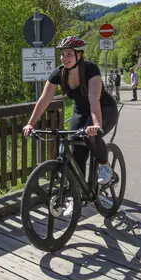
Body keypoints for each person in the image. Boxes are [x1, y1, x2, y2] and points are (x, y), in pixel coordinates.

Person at [23, 36, 117, 185]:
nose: (64, 58)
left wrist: (96, 125)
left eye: (69, 54)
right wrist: (30, 124)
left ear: (79, 55)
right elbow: (44, 100)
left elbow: (94, 99)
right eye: (62, 54)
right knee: (76, 150)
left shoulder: (91, 70)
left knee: (91, 137)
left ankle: (105, 166)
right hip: (80, 112)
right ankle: (80, 190)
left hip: (104, 109)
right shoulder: (59, 74)